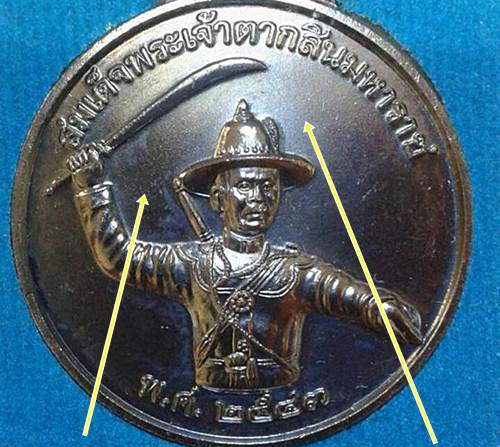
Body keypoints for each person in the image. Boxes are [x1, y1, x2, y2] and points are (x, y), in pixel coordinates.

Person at [67, 100, 422, 391]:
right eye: (245, 186)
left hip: (283, 396)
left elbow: (346, 294)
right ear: (217, 199)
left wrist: (379, 307)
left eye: (268, 188)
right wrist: (90, 187)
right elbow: (119, 258)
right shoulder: (191, 264)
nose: (258, 200)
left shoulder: (294, 271)